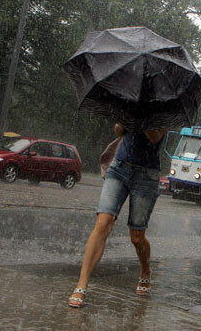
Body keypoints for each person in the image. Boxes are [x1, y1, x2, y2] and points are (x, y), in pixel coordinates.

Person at [69, 123, 167, 308]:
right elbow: (118, 130)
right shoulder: (132, 98)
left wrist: (142, 114)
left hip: (146, 176)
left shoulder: (164, 107)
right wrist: (125, 118)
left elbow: (154, 137)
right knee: (103, 223)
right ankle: (81, 285)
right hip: (119, 167)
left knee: (137, 237)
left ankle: (145, 270)